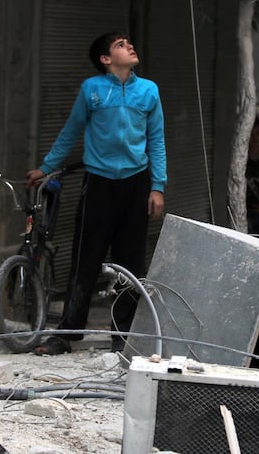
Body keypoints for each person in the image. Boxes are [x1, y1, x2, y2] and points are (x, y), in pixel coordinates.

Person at [26, 32, 166, 355]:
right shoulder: (92, 90)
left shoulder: (148, 91)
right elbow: (71, 130)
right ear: (106, 59)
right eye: (120, 45)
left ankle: (123, 336)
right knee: (84, 259)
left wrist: (157, 187)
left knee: (129, 263)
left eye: (130, 42)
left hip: (136, 183)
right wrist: (46, 166)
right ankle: (67, 333)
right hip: (98, 183)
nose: (130, 46)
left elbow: (156, 140)